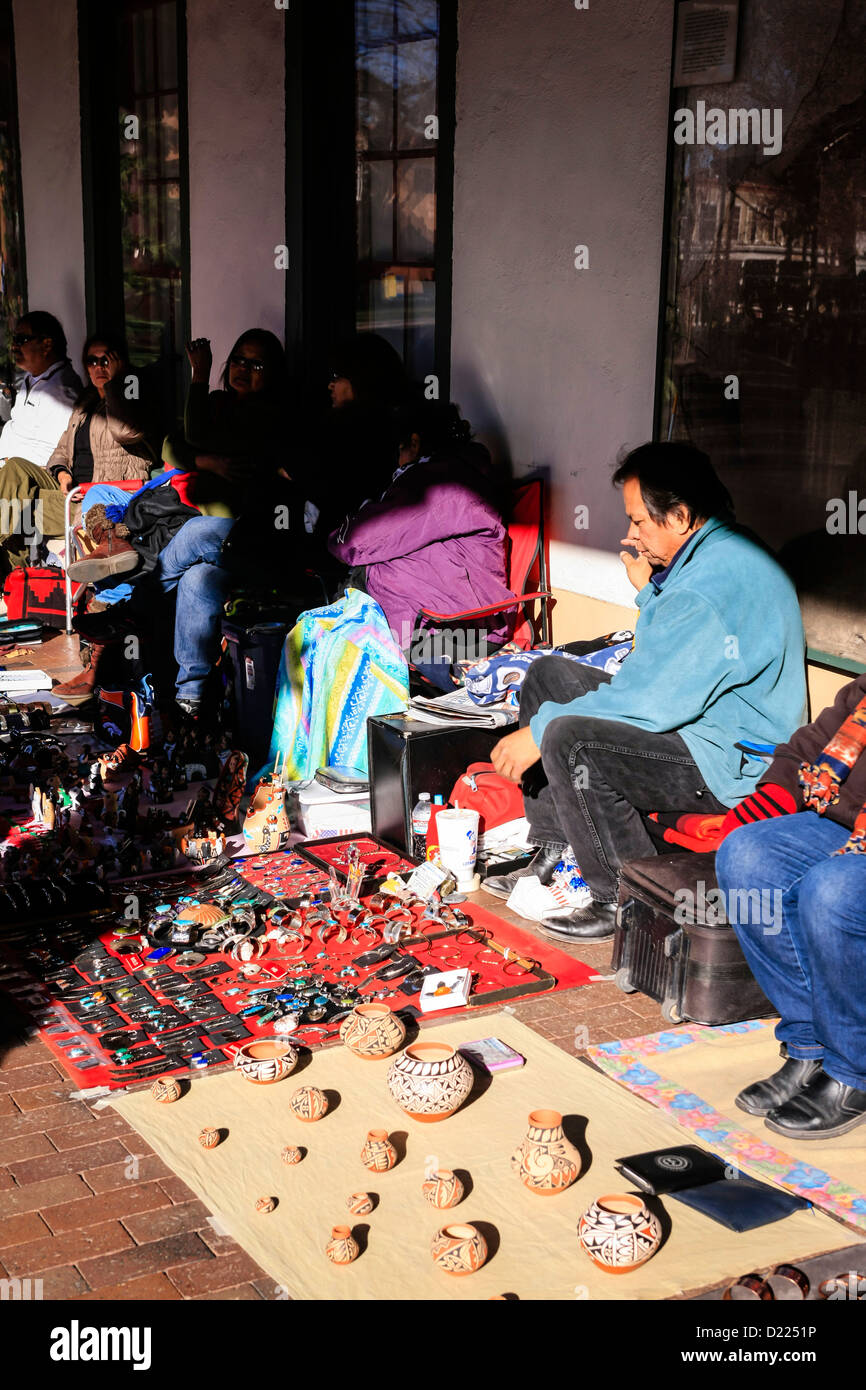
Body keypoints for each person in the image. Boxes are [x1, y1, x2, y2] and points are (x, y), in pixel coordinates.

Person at [485, 441, 808, 941]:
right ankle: (554, 850)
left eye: (639, 521)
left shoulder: (712, 582)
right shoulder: (713, 552)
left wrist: (538, 732)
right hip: (699, 721)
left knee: (572, 739)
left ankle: (619, 898)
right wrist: (649, 590)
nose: (631, 533)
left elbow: (648, 700)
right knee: (548, 676)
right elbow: (665, 656)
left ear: (679, 516)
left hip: (729, 759)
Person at [75, 329, 295, 719]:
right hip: (192, 512)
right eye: (239, 360)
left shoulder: (270, 416)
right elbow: (170, 447)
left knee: (188, 535)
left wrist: (197, 377)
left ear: (273, 373)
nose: (243, 369)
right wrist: (208, 461)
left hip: (244, 531)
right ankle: (189, 697)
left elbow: (194, 437)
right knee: (196, 579)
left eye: (256, 364)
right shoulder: (218, 404)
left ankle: (129, 605)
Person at [714, 674, 866, 1140]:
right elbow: (808, 747)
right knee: (746, 854)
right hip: (846, 825)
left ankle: (853, 1072)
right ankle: (809, 1045)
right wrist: (774, 794)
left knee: (833, 890)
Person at [327, 400, 516, 688]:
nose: (396, 460)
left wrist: (335, 537)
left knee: (320, 646)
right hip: (444, 624)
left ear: (414, 442)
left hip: (455, 632)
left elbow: (357, 541)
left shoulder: (438, 484)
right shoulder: (448, 476)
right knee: (324, 638)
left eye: (399, 449)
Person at [303, 333, 415, 539]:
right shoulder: (395, 422)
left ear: (361, 378)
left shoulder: (354, 432)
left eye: (337, 376)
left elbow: (326, 488)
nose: (330, 385)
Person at [0, 311, 82, 568]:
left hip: (45, 484)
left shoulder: (62, 389)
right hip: (17, 486)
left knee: (14, 474)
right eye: (14, 338)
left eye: (22, 339)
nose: (14, 346)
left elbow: (52, 454)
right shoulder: (30, 380)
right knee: (13, 505)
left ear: (47, 344)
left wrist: (6, 464)